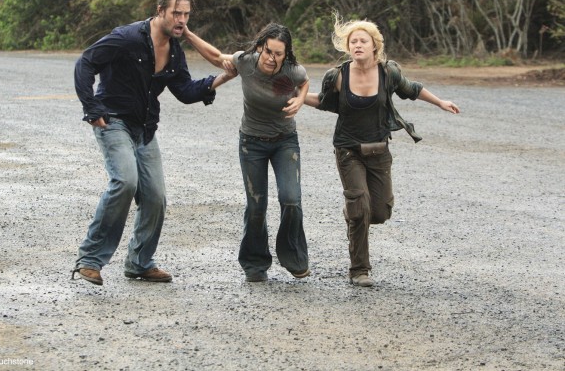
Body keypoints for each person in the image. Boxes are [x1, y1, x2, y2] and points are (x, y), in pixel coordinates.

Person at [71, 0, 236, 286]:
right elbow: (86, 62)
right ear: (160, 11)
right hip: (113, 121)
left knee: (155, 197)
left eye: (186, 15)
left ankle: (139, 262)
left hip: (145, 128)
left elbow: (185, 91)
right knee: (125, 181)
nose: (181, 20)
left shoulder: (174, 51)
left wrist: (223, 77)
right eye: (176, 13)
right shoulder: (127, 38)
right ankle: (90, 260)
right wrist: (91, 107)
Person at [304, 16, 460, 287]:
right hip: (348, 150)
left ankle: (354, 212)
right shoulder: (337, 76)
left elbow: (413, 89)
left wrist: (440, 102)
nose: (357, 45)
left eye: (363, 41)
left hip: (379, 150)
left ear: (374, 45)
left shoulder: (388, 73)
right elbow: (323, 101)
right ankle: (359, 270)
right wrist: (294, 97)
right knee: (360, 208)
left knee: (379, 212)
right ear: (348, 47)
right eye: (353, 41)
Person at [184, 23, 311, 282]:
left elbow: (304, 82)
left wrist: (300, 99)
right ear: (260, 47)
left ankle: (293, 257)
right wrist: (186, 33)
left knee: (291, 199)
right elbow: (215, 57)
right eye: (268, 51)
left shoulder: (293, 70)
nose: (271, 58)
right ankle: (255, 264)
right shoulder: (245, 61)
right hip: (251, 143)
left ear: (286, 54)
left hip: (285, 141)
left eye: (278, 54)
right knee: (256, 205)